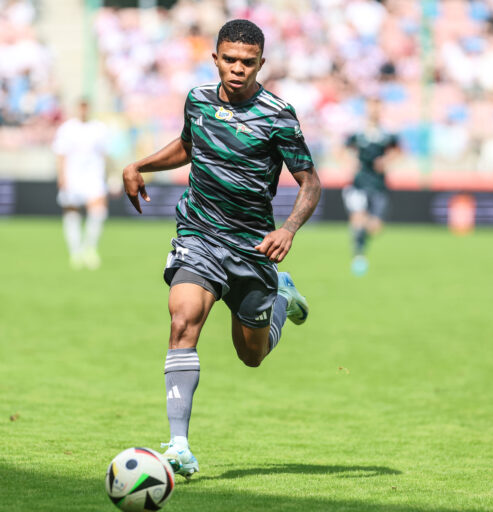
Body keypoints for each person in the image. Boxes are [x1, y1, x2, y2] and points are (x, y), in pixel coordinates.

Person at [122, 19, 321, 480]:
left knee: (251, 356)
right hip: (200, 235)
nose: (237, 69)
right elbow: (189, 146)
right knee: (182, 318)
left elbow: (309, 181)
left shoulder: (278, 114)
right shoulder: (197, 100)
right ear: (215, 58)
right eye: (229, 59)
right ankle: (177, 446)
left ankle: (280, 298)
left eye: (247, 63)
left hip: (253, 248)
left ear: (261, 64)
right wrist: (140, 165)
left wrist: (289, 229)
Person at [342, 99, 401, 275]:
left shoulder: (386, 132)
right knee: (358, 219)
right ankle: (358, 256)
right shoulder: (358, 130)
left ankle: (360, 242)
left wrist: (387, 160)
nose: (374, 110)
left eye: (377, 107)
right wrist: (349, 162)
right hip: (358, 184)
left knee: (375, 227)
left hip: (378, 185)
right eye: (371, 107)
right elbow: (342, 148)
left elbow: (399, 150)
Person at [52, 99, 109, 269]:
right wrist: (62, 176)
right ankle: (75, 252)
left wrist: (108, 175)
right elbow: (60, 153)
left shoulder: (99, 128)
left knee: (98, 210)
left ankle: (90, 248)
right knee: (72, 213)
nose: (83, 110)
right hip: (73, 176)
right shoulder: (67, 128)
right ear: (76, 109)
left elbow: (105, 153)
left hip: (94, 176)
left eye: (86, 107)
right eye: (81, 107)